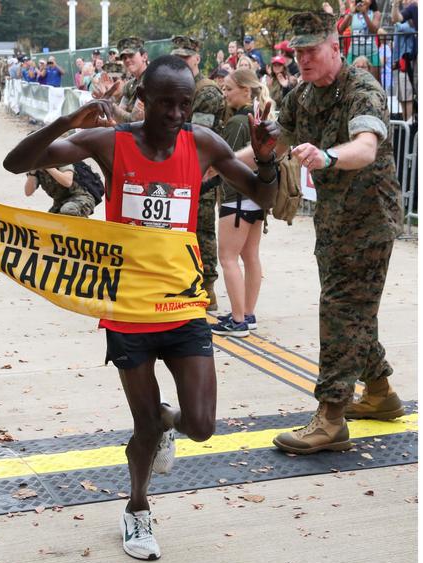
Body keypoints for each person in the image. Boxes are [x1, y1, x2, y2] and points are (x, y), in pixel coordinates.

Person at [3, 55, 279, 562]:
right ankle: (136, 508)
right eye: (166, 103)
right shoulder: (112, 142)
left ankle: (166, 422)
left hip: (183, 303)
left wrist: (267, 160)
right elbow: (17, 164)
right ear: (143, 101)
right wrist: (69, 121)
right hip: (129, 308)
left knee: (201, 426)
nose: (176, 113)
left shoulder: (203, 143)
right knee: (145, 426)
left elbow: (263, 193)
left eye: (185, 104)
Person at [240, 12, 404, 454]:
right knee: (353, 309)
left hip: (371, 220)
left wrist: (328, 156)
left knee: (340, 308)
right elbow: (272, 144)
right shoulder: (303, 96)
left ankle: (331, 417)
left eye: (312, 50)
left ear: (337, 48)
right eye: (298, 52)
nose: (303, 59)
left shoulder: (362, 90)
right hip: (333, 221)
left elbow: (365, 148)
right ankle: (380, 393)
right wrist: (216, 165)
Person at [211, 69, 272, 336]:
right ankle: (247, 313)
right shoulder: (258, 119)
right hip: (256, 197)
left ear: (245, 91)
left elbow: (226, 161)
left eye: (228, 89)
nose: (224, 94)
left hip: (237, 198)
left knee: (228, 258)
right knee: (250, 257)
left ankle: (237, 320)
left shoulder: (238, 122)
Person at [171, 35, 227, 311]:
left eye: (186, 57)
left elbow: (197, 137)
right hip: (178, 170)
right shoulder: (178, 88)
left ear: (197, 58)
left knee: (202, 229)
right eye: (177, 57)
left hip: (201, 172)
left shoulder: (204, 91)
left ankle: (207, 287)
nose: (181, 61)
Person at [24, 163, 98, 217]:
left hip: (81, 198)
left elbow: (67, 182)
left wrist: (48, 167)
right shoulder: (38, 170)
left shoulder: (60, 159)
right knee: (48, 225)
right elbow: (28, 192)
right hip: (60, 203)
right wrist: (32, 173)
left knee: (68, 210)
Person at [337, 0, 382, 69]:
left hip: (372, 54)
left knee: (373, 79)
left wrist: (364, 14)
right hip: (353, 54)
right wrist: (350, 13)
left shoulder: (376, 13)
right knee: (351, 78)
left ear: (371, 1)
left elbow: (373, 31)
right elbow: (340, 29)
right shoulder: (353, 14)